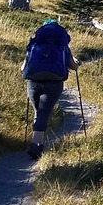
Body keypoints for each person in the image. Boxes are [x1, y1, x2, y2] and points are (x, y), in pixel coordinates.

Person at [22, 19, 80, 160]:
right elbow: (73, 66)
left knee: (39, 112)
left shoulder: (34, 44)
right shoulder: (62, 46)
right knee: (43, 113)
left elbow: (23, 68)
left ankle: (37, 143)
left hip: (33, 81)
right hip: (54, 83)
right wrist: (76, 63)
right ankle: (36, 145)